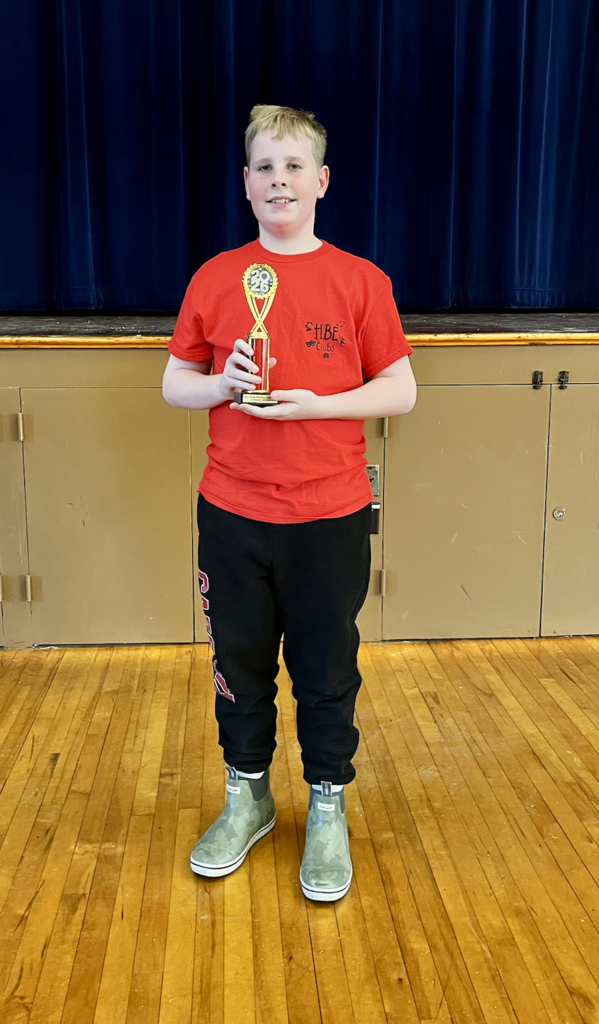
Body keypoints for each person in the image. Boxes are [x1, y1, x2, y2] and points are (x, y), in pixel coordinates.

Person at [162, 104, 417, 901]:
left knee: (326, 669)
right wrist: (222, 385)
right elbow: (175, 384)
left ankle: (328, 804)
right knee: (237, 668)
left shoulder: (360, 280)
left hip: (330, 517)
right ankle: (248, 797)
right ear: (245, 184)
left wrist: (313, 407)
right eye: (264, 167)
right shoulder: (214, 277)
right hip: (232, 515)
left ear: (321, 181)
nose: (279, 179)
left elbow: (399, 391)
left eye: (293, 166)